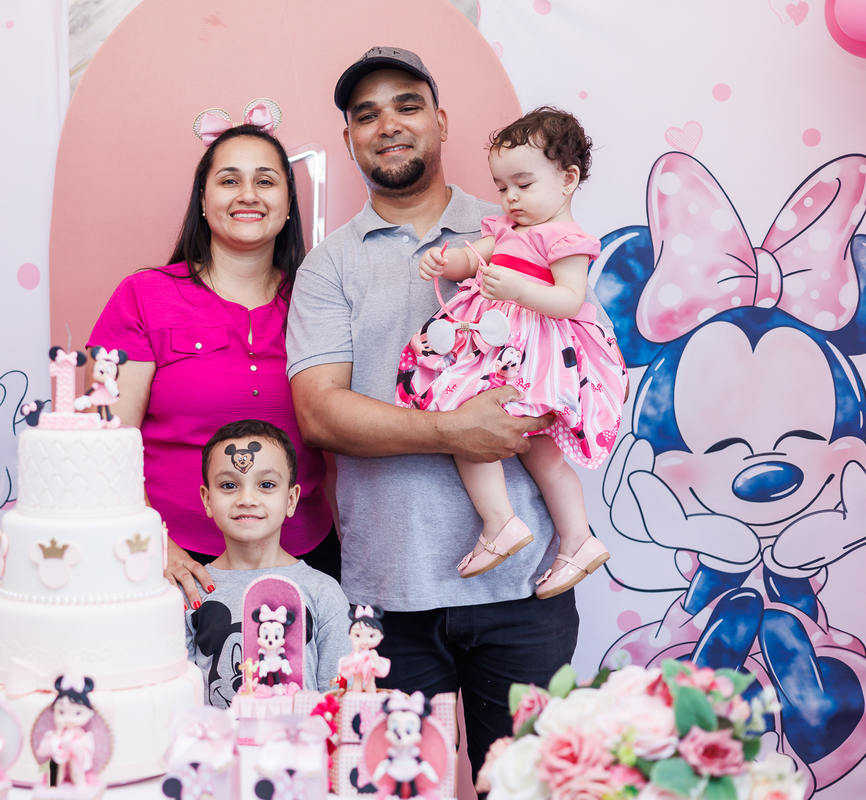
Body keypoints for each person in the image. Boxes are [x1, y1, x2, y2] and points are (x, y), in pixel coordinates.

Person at [285, 46, 615, 787]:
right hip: (388, 592)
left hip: (524, 593)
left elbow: (570, 349)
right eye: (366, 114)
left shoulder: (516, 219)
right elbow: (320, 414)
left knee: (527, 787)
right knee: (401, 789)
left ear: (440, 121)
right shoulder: (329, 265)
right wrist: (453, 430)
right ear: (348, 138)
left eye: (407, 105)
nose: (388, 124)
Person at [88, 123, 337, 611]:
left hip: (305, 561)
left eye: (265, 181)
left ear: (289, 203)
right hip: (172, 567)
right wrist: (152, 543)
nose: (248, 194)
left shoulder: (321, 300)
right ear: (203, 200)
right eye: (229, 180)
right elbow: (104, 444)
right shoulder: (142, 296)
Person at [400, 108, 623, 593]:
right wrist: (444, 261)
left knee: (472, 424)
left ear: (567, 180)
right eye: (502, 187)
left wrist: (519, 289)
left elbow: (570, 300)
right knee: (505, 440)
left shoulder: (566, 239)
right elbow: (471, 259)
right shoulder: (506, 229)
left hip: (533, 355)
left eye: (523, 184)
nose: (511, 198)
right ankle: (569, 538)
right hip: (499, 348)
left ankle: (513, 524)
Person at [183, 419, 350, 709]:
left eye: (266, 485)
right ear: (207, 500)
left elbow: (338, 698)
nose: (247, 499)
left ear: (291, 499)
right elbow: (180, 697)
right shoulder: (190, 593)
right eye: (229, 485)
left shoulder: (323, 592)